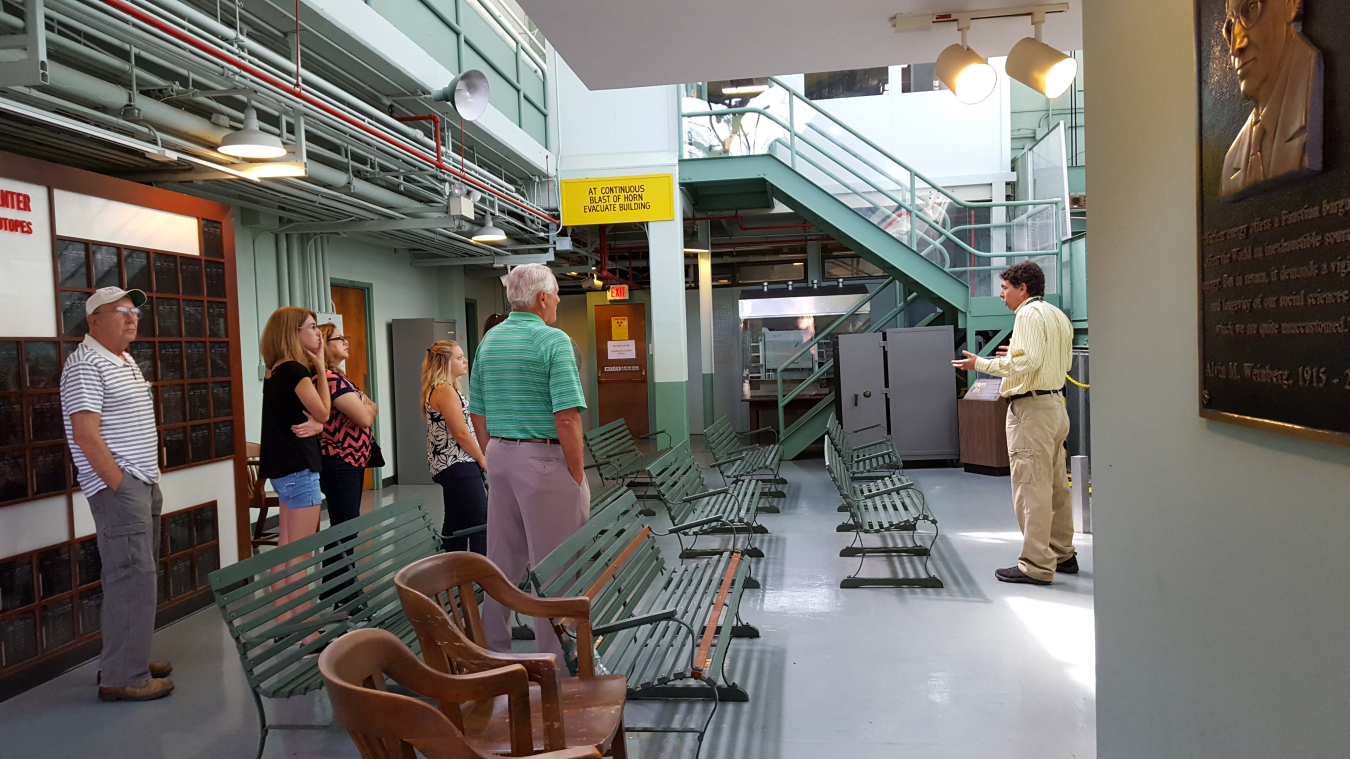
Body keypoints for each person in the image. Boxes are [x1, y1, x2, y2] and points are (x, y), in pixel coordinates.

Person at [468, 264, 589, 659]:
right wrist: (575, 473)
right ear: (541, 298)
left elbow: (478, 414)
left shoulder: (489, 341)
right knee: (554, 564)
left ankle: (495, 651)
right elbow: (567, 417)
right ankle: (553, 659)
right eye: (555, 294)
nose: (556, 301)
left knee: (501, 558)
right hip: (544, 459)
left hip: (500, 456)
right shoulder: (553, 341)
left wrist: (495, 454)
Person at [61, 286, 174, 701]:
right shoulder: (86, 364)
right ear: (93, 321)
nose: (132, 318)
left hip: (141, 483)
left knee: (139, 577)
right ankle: (124, 677)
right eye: (121, 311)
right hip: (122, 489)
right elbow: (86, 434)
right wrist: (119, 483)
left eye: (135, 312)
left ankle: (128, 659)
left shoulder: (121, 359)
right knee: (131, 578)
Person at [953, 261, 1075, 585]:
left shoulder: (1027, 315)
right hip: (1055, 407)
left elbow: (1028, 362)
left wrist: (982, 363)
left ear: (1023, 289)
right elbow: (1058, 361)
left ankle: (1035, 564)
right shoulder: (1057, 316)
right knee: (1056, 486)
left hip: (1031, 411)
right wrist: (1014, 359)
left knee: (1031, 488)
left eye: (1005, 288)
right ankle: (1063, 553)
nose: (1001, 295)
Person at [258, 307, 331, 621]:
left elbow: (311, 418)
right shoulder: (295, 371)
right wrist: (321, 365)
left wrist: (318, 425)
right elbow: (325, 411)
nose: (318, 334)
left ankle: (284, 622)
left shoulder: (273, 370)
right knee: (301, 555)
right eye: (312, 327)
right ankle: (307, 631)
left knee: (285, 547)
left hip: (282, 470)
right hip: (300, 468)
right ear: (293, 333)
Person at [1219, 0, 1323, 199]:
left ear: (1291, 5)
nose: (1235, 47)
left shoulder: (1311, 96)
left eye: (1250, 8)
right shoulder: (1232, 163)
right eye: (1230, 28)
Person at [314, 323, 377, 605]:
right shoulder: (328, 378)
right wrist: (365, 406)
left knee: (345, 526)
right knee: (345, 529)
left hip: (351, 461)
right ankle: (347, 595)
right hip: (339, 461)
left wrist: (365, 405)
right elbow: (365, 416)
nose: (346, 342)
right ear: (325, 346)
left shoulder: (340, 377)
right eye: (340, 338)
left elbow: (372, 406)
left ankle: (333, 590)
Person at [422, 340, 488, 554]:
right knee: (481, 523)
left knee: (456, 523)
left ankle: (453, 574)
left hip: (452, 466)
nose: (465, 360)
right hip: (458, 464)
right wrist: (482, 458)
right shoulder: (444, 391)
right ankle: (486, 579)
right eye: (459, 357)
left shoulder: (445, 389)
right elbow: (460, 433)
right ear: (444, 363)